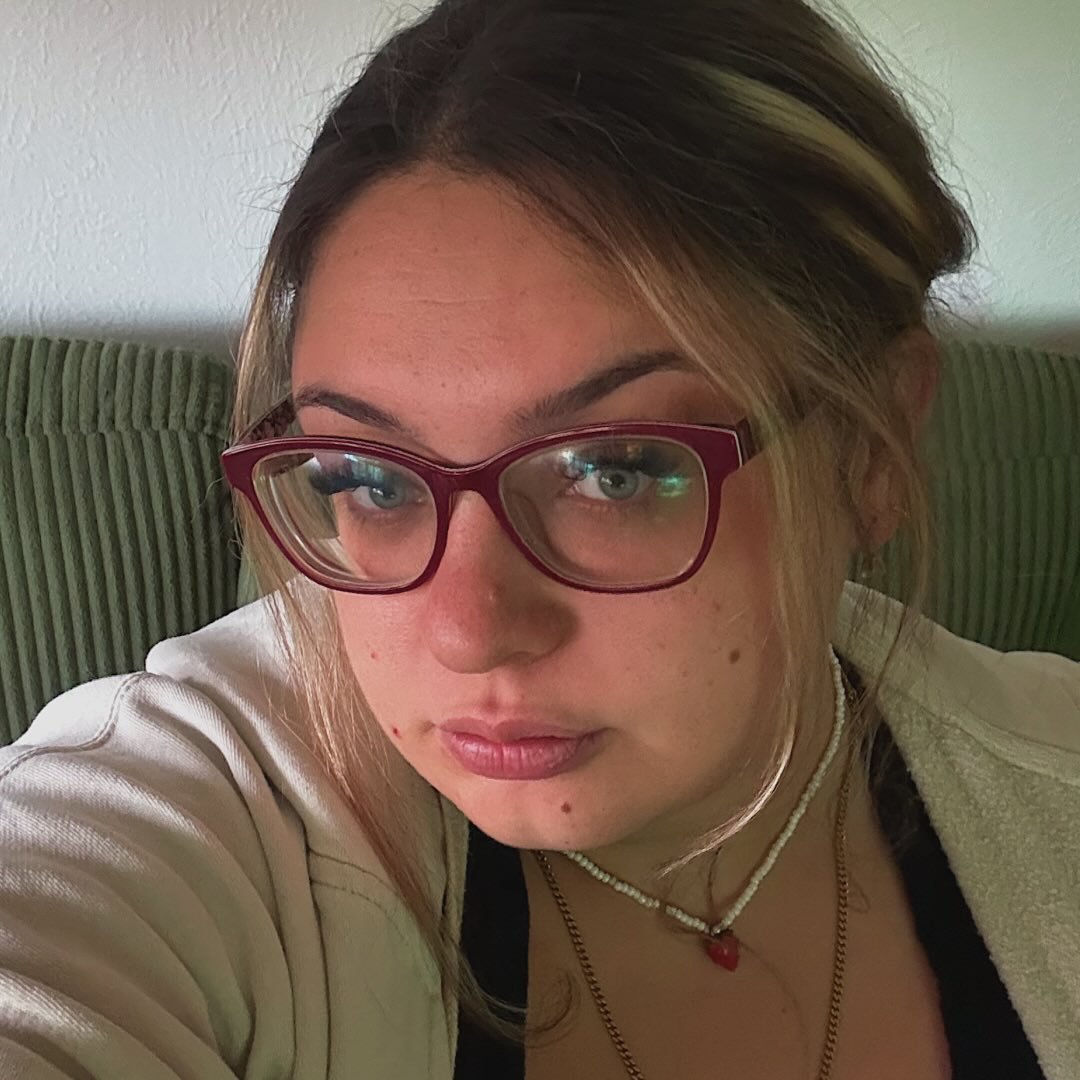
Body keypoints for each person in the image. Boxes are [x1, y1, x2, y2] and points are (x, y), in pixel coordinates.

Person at [1, 0, 1077, 1077]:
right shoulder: (210, 812)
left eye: (614, 471)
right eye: (368, 479)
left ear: (873, 452)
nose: (470, 634)